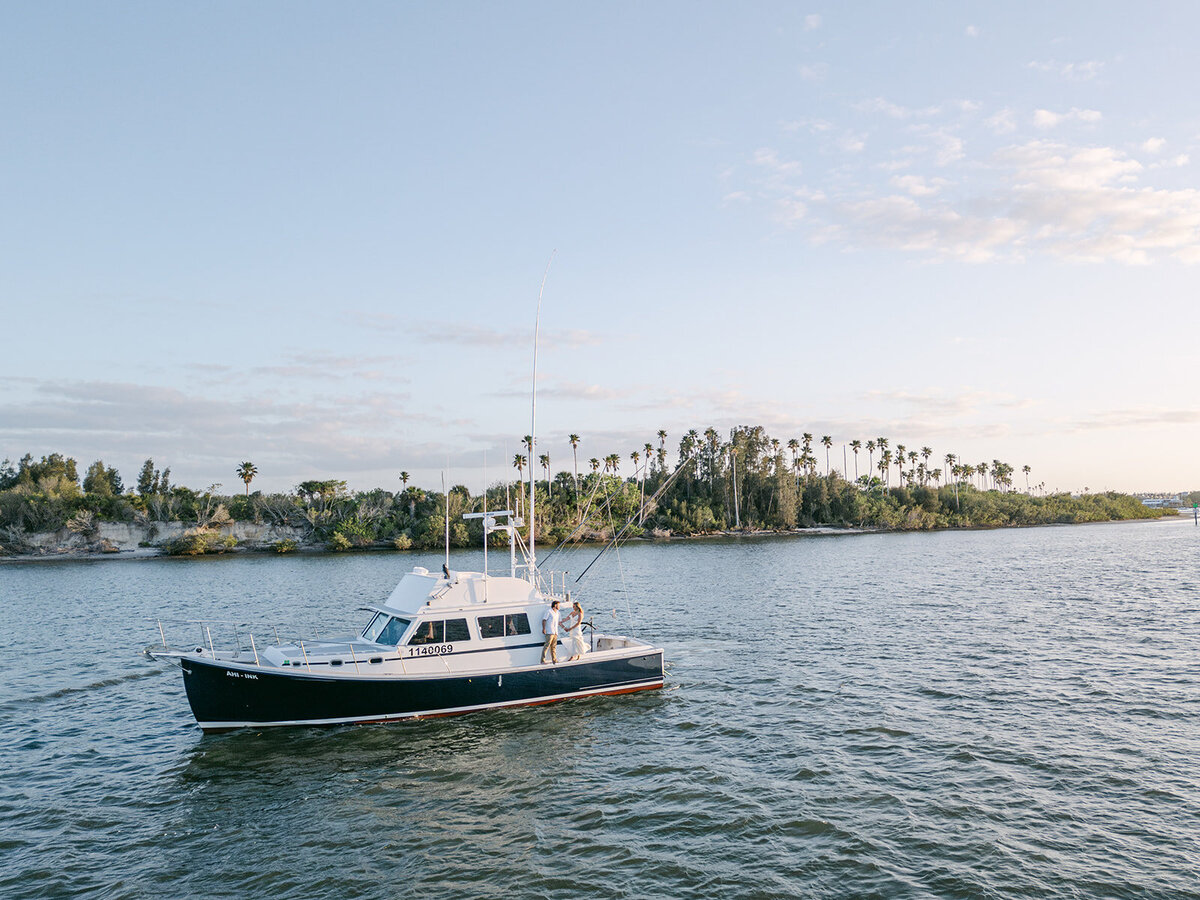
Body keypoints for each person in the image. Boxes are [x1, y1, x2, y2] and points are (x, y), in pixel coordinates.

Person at [541, 600, 561, 664]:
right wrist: (544, 629)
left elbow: (559, 622)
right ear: (555, 605)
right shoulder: (549, 611)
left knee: (554, 646)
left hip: (555, 632)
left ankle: (554, 660)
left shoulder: (558, 613)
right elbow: (544, 620)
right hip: (550, 631)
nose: (559, 606)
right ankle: (542, 660)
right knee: (547, 645)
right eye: (558, 605)